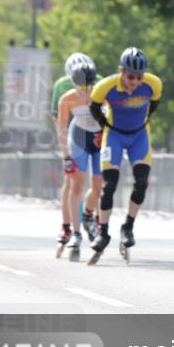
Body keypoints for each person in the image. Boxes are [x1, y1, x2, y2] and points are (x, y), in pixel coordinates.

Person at [88, 47, 162, 260]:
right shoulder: (104, 87)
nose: (135, 82)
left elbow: (154, 105)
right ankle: (103, 233)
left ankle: (128, 226)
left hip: (139, 135)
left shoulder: (153, 84)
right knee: (109, 185)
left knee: (142, 182)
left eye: (139, 77)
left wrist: (138, 122)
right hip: (114, 136)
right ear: (121, 71)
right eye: (130, 76)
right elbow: (95, 109)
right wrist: (106, 125)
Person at [54, 60, 104, 255]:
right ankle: (76, 233)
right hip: (79, 138)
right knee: (76, 184)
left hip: (98, 139)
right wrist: (66, 156)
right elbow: (62, 128)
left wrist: (107, 135)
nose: (86, 92)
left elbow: (113, 120)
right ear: (74, 85)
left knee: (99, 188)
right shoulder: (67, 99)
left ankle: (88, 215)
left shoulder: (102, 95)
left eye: (89, 87)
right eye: (81, 87)